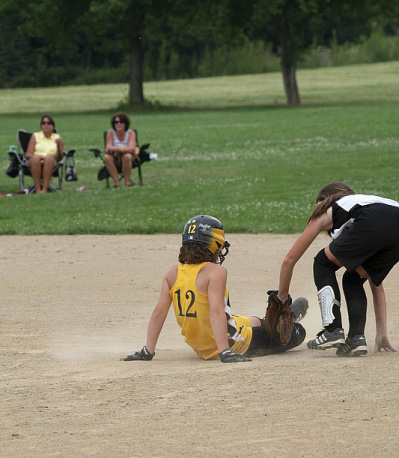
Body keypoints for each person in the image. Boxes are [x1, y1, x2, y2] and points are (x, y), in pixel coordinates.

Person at [123, 215, 307, 363]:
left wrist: (147, 351)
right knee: (297, 332)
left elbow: (158, 313)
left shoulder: (172, 272)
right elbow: (216, 312)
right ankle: (290, 316)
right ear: (214, 244)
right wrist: (225, 352)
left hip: (200, 345)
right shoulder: (216, 272)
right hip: (229, 343)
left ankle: (276, 316)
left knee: (255, 321)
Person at [277, 182, 399, 356]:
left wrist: (282, 299)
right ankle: (356, 339)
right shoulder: (363, 204)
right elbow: (375, 282)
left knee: (322, 263)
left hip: (372, 220)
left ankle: (333, 330)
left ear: (323, 202)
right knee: (354, 278)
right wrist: (382, 332)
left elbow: (289, 260)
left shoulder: (328, 208)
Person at [25, 115, 63, 194]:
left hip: (51, 162)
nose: (46, 125)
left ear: (52, 126)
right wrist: (39, 157)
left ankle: (44, 189)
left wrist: (59, 146)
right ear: (41, 126)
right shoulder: (35, 136)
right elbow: (28, 154)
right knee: (36, 159)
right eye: (43, 123)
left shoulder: (58, 138)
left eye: (48, 123)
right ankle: (38, 189)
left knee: (48, 159)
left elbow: (59, 158)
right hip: (35, 161)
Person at [104, 112, 137, 188]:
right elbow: (108, 147)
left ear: (125, 123)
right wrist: (116, 149)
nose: (118, 124)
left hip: (128, 158)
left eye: (121, 122)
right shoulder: (110, 133)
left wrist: (119, 149)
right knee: (106, 157)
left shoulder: (131, 133)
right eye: (116, 122)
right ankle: (117, 183)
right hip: (114, 157)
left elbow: (132, 149)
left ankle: (127, 183)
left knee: (127, 156)